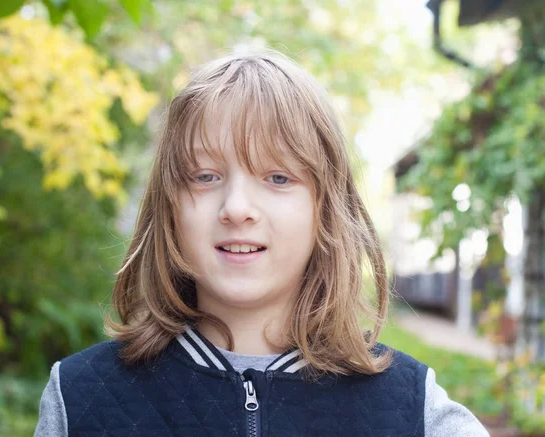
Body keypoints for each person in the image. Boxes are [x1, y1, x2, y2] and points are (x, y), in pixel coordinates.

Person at [34, 50, 490, 437]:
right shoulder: (79, 399)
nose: (236, 207)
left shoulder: (414, 411)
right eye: (206, 177)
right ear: (169, 205)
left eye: (277, 177)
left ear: (325, 209)